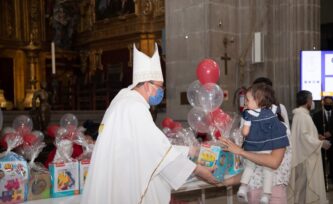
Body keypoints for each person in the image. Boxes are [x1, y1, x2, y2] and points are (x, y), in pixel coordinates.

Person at [81, 43, 218, 204]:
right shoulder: (135, 108)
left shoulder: (123, 99)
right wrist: (199, 170)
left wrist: (190, 151)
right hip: (125, 181)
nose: (161, 92)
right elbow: (157, 151)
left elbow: (150, 147)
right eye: (160, 87)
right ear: (147, 85)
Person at [236, 84, 289, 204]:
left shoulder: (249, 115)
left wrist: (242, 136)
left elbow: (245, 132)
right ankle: (265, 194)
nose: (245, 103)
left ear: (259, 100)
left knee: (254, 167)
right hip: (254, 187)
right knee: (266, 171)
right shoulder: (272, 114)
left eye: (247, 100)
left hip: (275, 190)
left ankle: (244, 188)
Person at [288, 90, 328, 204]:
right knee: (303, 186)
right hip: (305, 158)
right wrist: (320, 143)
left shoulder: (303, 115)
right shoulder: (302, 116)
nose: (312, 102)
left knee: (303, 187)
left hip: (306, 155)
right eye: (311, 99)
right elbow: (304, 137)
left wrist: (317, 136)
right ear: (307, 101)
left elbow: (305, 134)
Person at [313, 96, 333, 184]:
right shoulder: (317, 115)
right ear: (323, 103)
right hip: (321, 144)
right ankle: (323, 183)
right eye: (326, 103)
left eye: (330, 104)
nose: (328, 105)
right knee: (322, 165)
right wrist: (318, 135)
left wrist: (332, 133)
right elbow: (313, 128)